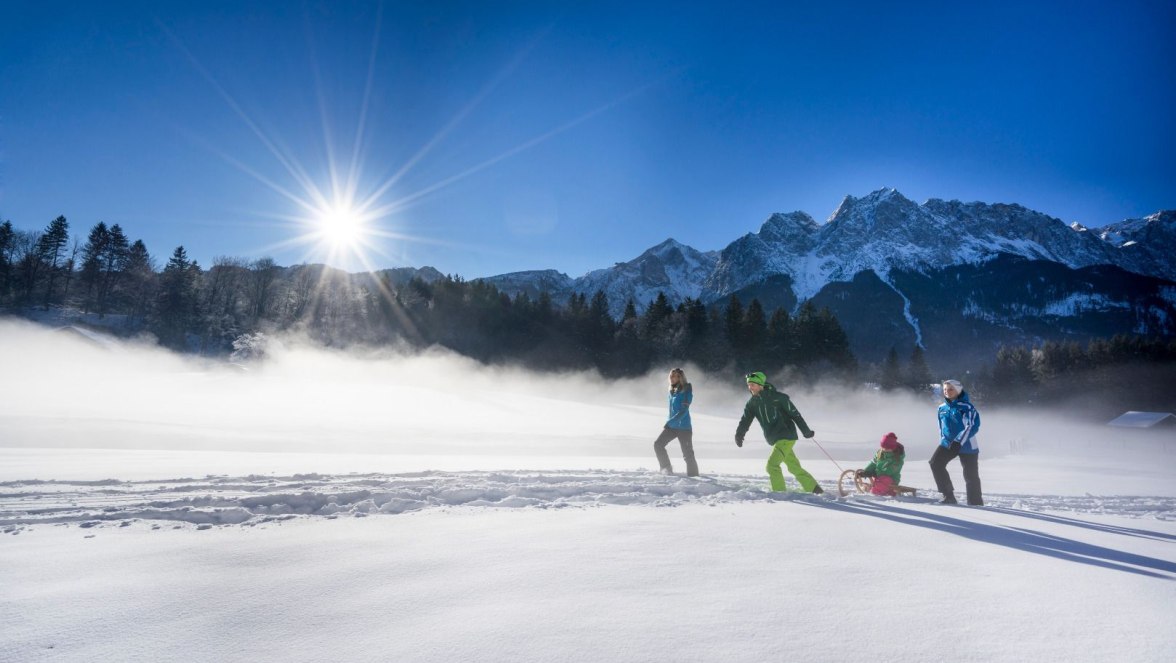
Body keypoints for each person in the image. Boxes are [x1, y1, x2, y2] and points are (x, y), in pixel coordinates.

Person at [734, 371, 822, 493]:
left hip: (786, 436)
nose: (750, 387)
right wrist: (739, 434)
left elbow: (795, 415)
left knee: (772, 466)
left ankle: (779, 493)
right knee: (793, 466)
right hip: (775, 439)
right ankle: (814, 488)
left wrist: (806, 431)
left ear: (761, 385)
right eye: (748, 385)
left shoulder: (778, 397)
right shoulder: (752, 403)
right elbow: (745, 420)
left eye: (753, 384)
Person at [929, 379, 983, 505]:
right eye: (945, 390)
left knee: (971, 476)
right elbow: (941, 427)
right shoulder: (941, 408)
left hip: (967, 445)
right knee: (935, 463)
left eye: (951, 389)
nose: (947, 392)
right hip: (948, 444)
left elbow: (971, 426)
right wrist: (944, 441)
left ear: (958, 390)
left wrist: (958, 442)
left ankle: (975, 503)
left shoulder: (967, 407)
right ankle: (948, 496)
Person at [652, 368, 699, 476]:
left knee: (688, 455)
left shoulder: (687, 389)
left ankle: (695, 478)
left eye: (676, 376)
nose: (673, 378)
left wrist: (670, 423)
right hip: (672, 427)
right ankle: (666, 469)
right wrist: (670, 422)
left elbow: (683, 411)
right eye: (671, 376)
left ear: (681, 377)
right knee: (658, 444)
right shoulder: (672, 390)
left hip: (684, 428)